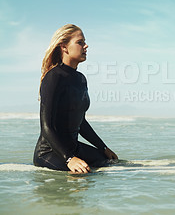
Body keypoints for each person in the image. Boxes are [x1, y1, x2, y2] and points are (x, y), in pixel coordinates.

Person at [33, 24, 118, 174]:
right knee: (84, 173)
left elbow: (81, 122)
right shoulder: (54, 77)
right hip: (49, 152)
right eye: (80, 42)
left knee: (111, 163)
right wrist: (69, 159)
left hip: (73, 147)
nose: (86, 46)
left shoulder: (81, 79)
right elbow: (47, 127)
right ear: (64, 47)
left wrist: (103, 148)